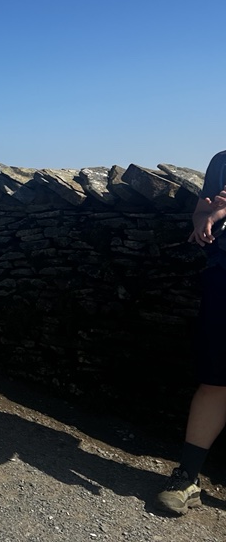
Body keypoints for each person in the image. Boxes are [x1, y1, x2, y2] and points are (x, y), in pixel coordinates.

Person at [155, 151, 226, 515]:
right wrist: (205, 220)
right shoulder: (222, 161)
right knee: (215, 382)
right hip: (224, 279)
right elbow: (202, 211)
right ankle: (187, 477)